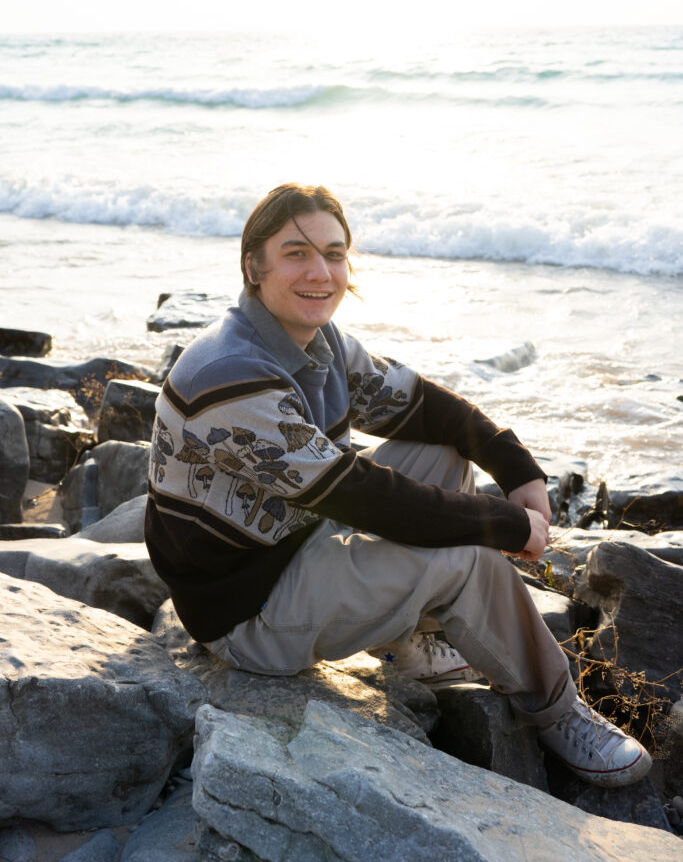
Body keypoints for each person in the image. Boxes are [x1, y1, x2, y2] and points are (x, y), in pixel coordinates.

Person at [145, 182, 651, 788]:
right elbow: (365, 495)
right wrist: (506, 525)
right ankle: (559, 713)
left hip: (290, 544)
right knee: (468, 557)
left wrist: (515, 467)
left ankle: (408, 642)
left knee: (441, 450)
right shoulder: (230, 376)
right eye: (296, 253)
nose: (321, 272)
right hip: (247, 614)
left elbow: (418, 406)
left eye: (334, 254)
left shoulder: (315, 342)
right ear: (254, 266)